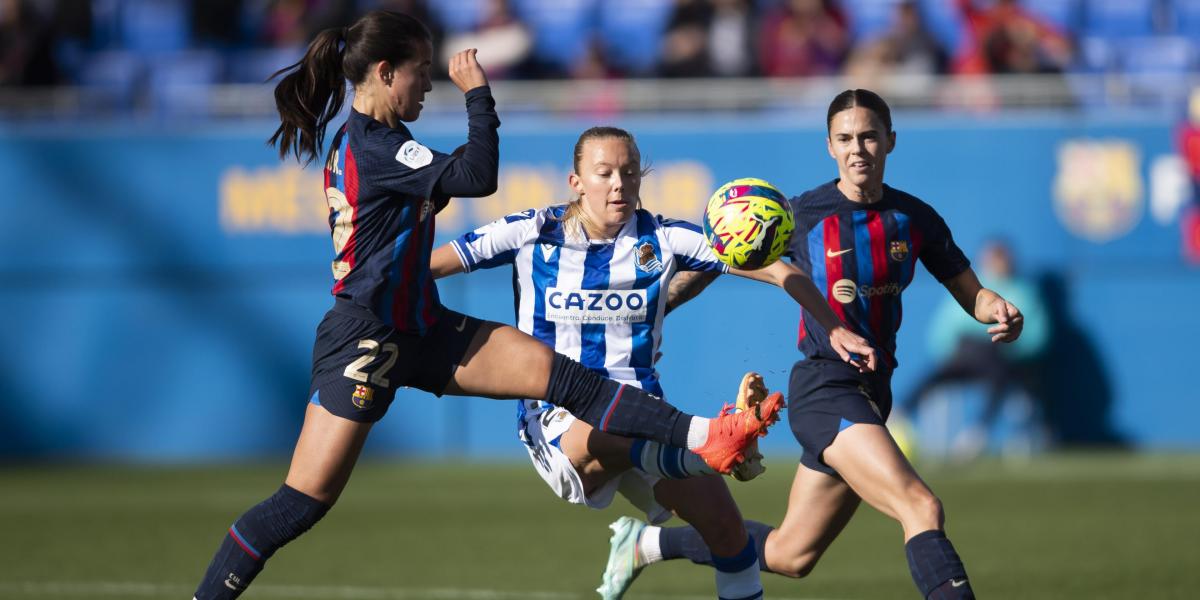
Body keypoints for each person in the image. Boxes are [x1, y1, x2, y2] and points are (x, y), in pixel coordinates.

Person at [190, 12, 784, 600]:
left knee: (566, 379)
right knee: (302, 501)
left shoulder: (383, 144)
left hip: (423, 325)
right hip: (366, 337)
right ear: (385, 72)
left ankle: (712, 435)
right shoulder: (375, 146)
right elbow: (477, 175)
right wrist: (478, 94)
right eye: (421, 71)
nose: (428, 84)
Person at [599, 89, 1025, 600]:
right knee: (921, 507)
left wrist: (997, 309)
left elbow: (972, 293)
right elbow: (725, 257)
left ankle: (647, 543)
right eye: (845, 138)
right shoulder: (802, 214)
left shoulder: (916, 218)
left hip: (873, 392)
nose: (857, 149)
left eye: (868, 136)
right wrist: (655, 308)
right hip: (826, 389)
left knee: (790, 555)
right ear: (829, 146)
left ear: (890, 140)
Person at [430, 126, 878, 600]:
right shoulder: (531, 231)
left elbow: (778, 270)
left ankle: (702, 454)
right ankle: (710, 442)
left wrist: (835, 327)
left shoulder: (663, 238)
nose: (618, 184)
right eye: (604, 173)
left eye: (629, 172)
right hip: (559, 418)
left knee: (730, 536)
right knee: (611, 430)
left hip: (647, 414)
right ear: (576, 181)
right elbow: (430, 267)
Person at [901, 238, 1048, 460]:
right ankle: (900, 416)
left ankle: (977, 432)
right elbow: (944, 327)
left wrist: (1012, 347)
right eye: (992, 259)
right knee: (933, 377)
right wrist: (947, 353)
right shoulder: (972, 289)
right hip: (964, 355)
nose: (996, 264)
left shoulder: (1024, 293)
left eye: (1001, 259)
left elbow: (1037, 336)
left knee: (999, 378)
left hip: (999, 355)